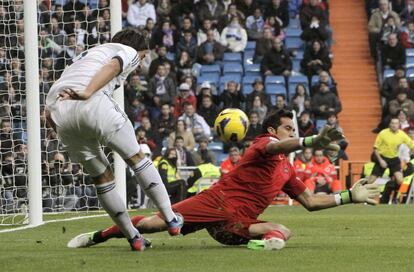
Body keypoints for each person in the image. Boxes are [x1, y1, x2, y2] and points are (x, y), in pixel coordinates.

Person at [67, 110, 380, 251]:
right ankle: (100, 236)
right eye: (288, 128)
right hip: (213, 203)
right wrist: (311, 141)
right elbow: (281, 146)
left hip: (233, 225)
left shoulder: (287, 170)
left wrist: (349, 196)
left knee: (283, 230)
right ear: (273, 131)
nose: (293, 133)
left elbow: (310, 202)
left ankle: (262, 244)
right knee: (153, 224)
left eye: (295, 129)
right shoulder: (262, 145)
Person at [45, 28, 183, 252]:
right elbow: (113, 66)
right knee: (136, 157)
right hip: (90, 101)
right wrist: (88, 92)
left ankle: (134, 238)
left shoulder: (86, 57)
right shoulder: (126, 50)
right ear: (138, 49)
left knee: (102, 178)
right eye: (144, 57)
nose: (140, 63)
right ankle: (171, 218)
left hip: (58, 110)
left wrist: (66, 133)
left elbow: (47, 114)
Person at [367, 118, 414, 186]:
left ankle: (395, 194)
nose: (394, 125)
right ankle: (360, 192)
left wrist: (411, 152)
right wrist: (380, 161)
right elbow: (375, 148)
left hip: (394, 159)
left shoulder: (402, 135)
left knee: (400, 180)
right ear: (389, 124)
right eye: (392, 123)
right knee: (371, 180)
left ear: (399, 125)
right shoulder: (383, 133)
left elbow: (411, 145)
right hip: (383, 157)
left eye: (396, 123)